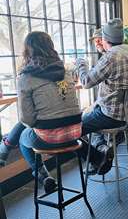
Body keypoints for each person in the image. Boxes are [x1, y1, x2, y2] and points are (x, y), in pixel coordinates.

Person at [16, 31, 82, 193]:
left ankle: (43, 176)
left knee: (23, 137)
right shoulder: (65, 71)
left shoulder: (26, 78)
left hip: (50, 139)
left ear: (27, 51)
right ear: (51, 48)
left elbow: (27, 119)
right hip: (76, 133)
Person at [75, 18, 128, 170]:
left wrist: (81, 63)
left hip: (109, 116)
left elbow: (86, 82)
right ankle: (104, 149)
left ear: (105, 39)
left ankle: (98, 157)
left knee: (73, 129)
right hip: (125, 114)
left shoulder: (110, 57)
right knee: (90, 112)